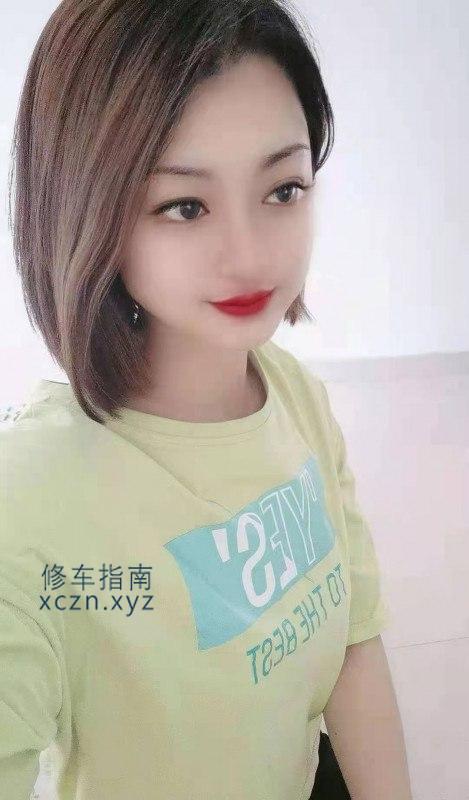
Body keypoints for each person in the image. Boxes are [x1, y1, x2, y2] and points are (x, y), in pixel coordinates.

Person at [2, 2, 412, 799]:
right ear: (85, 208)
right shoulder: (28, 504)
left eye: (282, 189)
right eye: (184, 206)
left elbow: (354, 641)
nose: (249, 255)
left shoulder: (294, 396)